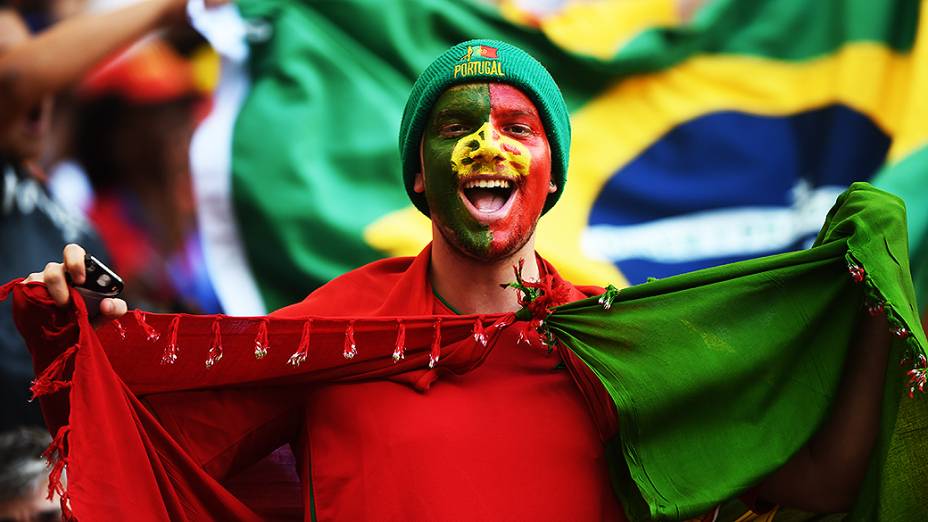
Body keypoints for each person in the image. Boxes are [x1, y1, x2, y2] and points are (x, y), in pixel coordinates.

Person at [17, 40, 896, 520]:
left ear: (551, 176)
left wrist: (867, 293)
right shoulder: (337, 329)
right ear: (417, 174)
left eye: (519, 127)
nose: (488, 144)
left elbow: (817, 484)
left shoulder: (621, 347)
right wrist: (101, 334)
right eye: (457, 126)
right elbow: (151, 436)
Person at [0, 0, 206, 432]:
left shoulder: (56, 207)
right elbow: (15, 82)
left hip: (62, 464)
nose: (40, 88)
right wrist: (169, 8)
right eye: (35, 65)